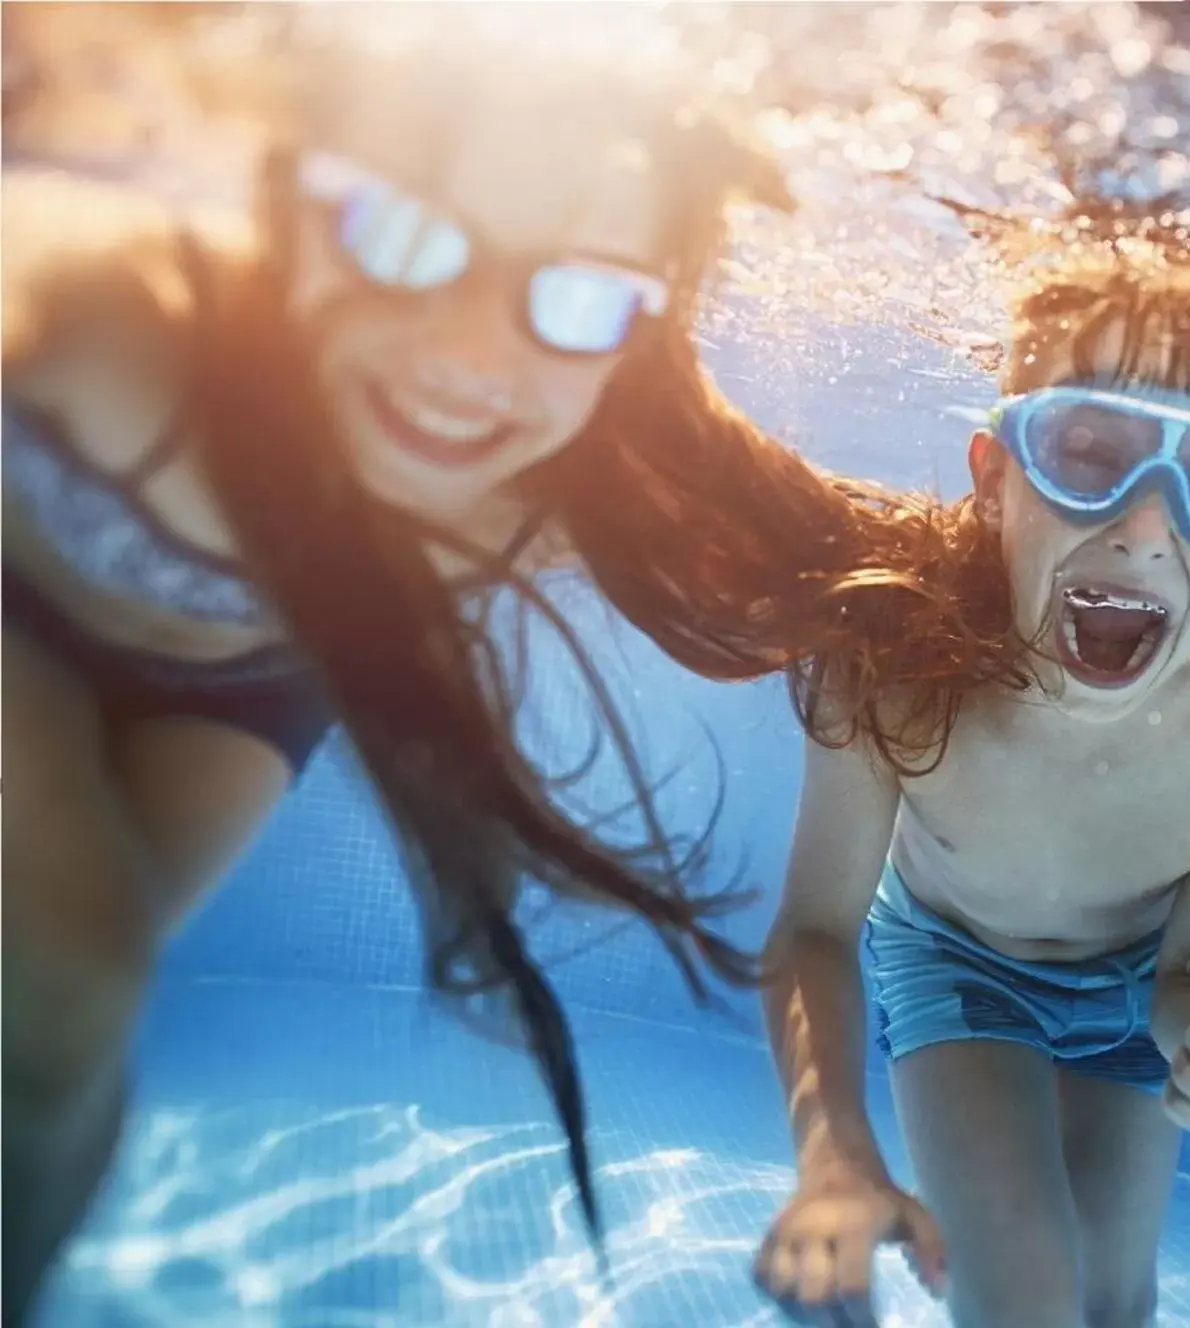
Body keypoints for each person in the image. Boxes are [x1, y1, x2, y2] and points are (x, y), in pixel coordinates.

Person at [2, 9, 972, 1318]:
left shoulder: (562, 484)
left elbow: (868, 559)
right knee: (61, 985)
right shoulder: (89, 308)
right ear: (286, 203)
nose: (471, 349)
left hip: (245, 686)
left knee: (49, 1052)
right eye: (398, 235)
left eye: (576, 294)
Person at [753, 243, 1190, 1328]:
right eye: (1086, 450)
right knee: (1022, 1294)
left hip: (1131, 986)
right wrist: (835, 1152)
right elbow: (816, 930)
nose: (1143, 524)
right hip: (955, 960)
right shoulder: (890, 663)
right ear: (993, 480)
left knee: (1112, 1300)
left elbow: (1186, 982)